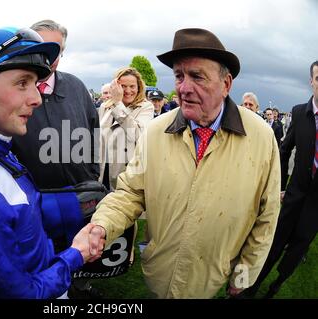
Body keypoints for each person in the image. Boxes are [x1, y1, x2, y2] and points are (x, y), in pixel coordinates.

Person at [89, 28, 281, 299]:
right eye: (179, 76)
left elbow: (267, 214)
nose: (183, 87)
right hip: (159, 273)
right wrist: (101, 226)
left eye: (197, 76)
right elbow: (130, 193)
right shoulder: (156, 132)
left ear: (226, 84)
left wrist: (243, 275)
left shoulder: (261, 137)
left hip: (213, 278)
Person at [0, 27, 102, 299]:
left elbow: (23, 213)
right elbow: (22, 295)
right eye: (22, 83)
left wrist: (77, 204)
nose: (36, 98)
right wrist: (76, 255)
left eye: (35, 84)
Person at [10, 20, 100, 298]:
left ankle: (81, 286)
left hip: (77, 197)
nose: (50, 57)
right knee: (43, 259)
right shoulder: (13, 89)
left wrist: (91, 173)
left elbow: (93, 129)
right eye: (43, 48)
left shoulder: (75, 85)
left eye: (57, 50)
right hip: (35, 201)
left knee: (80, 251)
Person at [243, 60, 318, 298]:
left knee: (297, 251)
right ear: (311, 81)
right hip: (292, 197)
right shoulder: (299, 112)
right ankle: (247, 289)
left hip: (316, 206)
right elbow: (284, 153)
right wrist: (280, 188)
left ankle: (275, 287)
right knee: (270, 247)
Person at [98, 67, 153, 190]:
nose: (128, 91)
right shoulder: (105, 107)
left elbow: (138, 135)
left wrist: (118, 104)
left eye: (132, 86)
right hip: (102, 172)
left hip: (127, 175)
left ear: (139, 87)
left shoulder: (145, 107)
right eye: (123, 86)